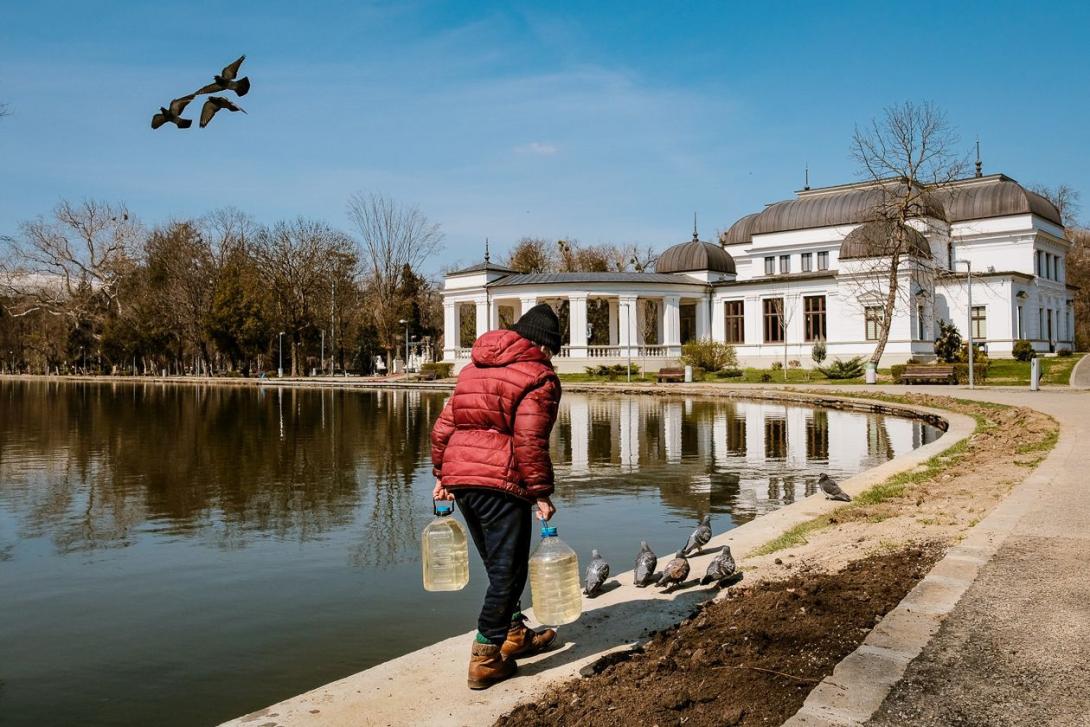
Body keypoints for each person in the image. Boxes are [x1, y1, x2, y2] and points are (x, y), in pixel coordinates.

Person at [430, 303, 563, 690]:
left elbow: (443, 428)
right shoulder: (539, 377)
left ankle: (515, 634)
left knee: (497, 564)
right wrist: (541, 493)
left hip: (462, 478)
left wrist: (441, 474)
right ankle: (486, 656)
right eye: (553, 350)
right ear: (544, 346)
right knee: (509, 572)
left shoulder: (472, 369)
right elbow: (529, 439)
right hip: (499, 481)